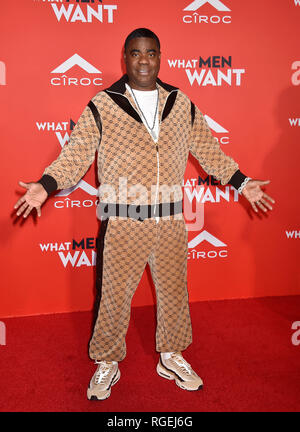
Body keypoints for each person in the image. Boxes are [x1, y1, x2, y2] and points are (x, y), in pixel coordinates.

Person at [14, 28, 275, 401]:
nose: (143, 61)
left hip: (169, 221)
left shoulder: (180, 103)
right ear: (125, 57)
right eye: (135, 53)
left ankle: (171, 355)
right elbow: (76, 154)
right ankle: (107, 361)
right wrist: (47, 183)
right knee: (114, 297)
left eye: (150, 53)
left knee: (174, 293)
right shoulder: (103, 104)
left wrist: (242, 181)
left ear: (160, 57)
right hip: (122, 221)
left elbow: (209, 150)